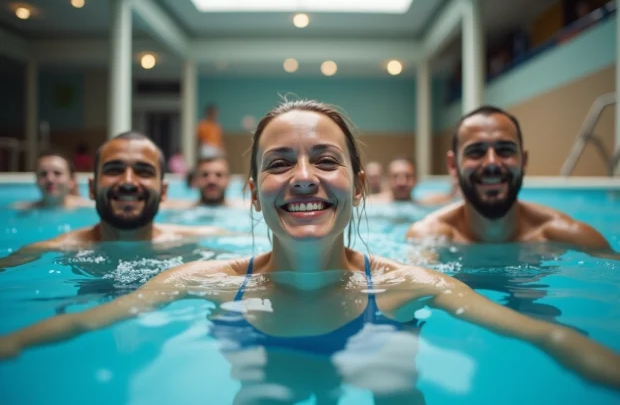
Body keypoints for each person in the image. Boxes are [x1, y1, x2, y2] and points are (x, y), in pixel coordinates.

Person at [1, 101, 619, 398]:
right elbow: (80, 322)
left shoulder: (407, 284)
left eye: (326, 160)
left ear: (358, 185)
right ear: (251, 194)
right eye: (279, 163)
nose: (303, 177)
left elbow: (549, 338)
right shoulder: (207, 279)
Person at [1, 131, 227, 271]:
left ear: (164, 191)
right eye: (114, 170)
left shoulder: (196, 241)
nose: (128, 182)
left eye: (143, 171)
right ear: (91, 188)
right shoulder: (50, 250)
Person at [406, 105, 611, 249]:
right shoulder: (429, 237)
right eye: (476, 152)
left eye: (505, 150)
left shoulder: (568, 235)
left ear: (524, 160)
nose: (492, 163)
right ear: (452, 165)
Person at [11, 151, 92, 210]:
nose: (50, 179)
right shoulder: (20, 209)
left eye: (57, 173)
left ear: (71, 181)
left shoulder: (89, 209)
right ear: (36, 179)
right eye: (43, 174)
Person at [162, 154, 245, 209]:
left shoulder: (243, 209)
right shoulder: (178, 209)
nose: (212, 180)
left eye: (219, 175)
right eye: (205, 175)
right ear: (195, 180)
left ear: (229, 180)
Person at [368, 157, 450, 205]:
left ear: (416, 180)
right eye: (395, 176)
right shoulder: (372, 204)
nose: (402, 182)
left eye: (407, 176)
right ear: (388, 179)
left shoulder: (425, 203)